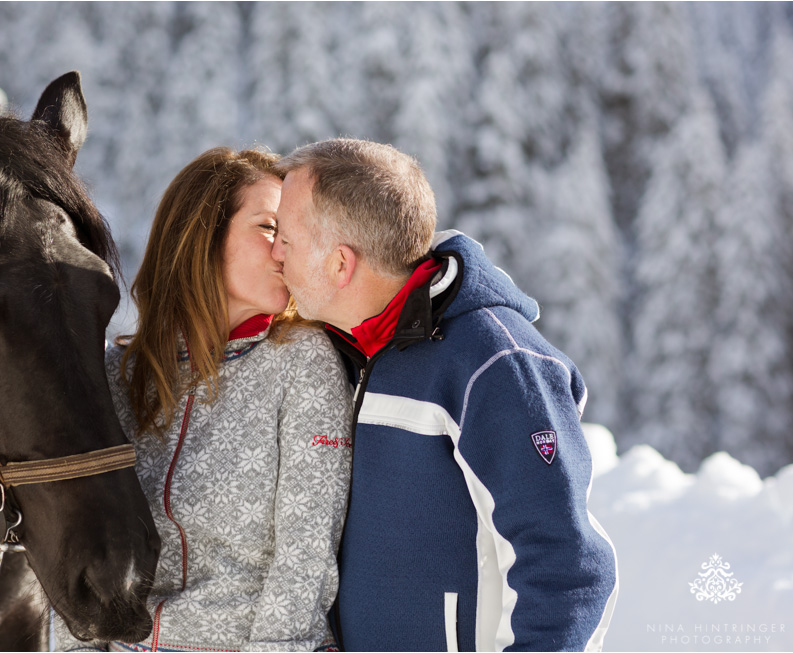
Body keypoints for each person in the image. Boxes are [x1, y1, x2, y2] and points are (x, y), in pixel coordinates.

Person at [270, 138, 619, 652]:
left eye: (287, 240)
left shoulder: (496, 364)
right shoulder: (349, 348)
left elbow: (568, 569)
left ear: (340, 265)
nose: (274, 254)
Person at [57, 147, 353, 652]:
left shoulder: (303, 362)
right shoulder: (117, 376)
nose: (285, 249)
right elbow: (77, 551)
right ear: (203, 238)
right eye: (267, 228)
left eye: (290, 233)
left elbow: (304, 560)